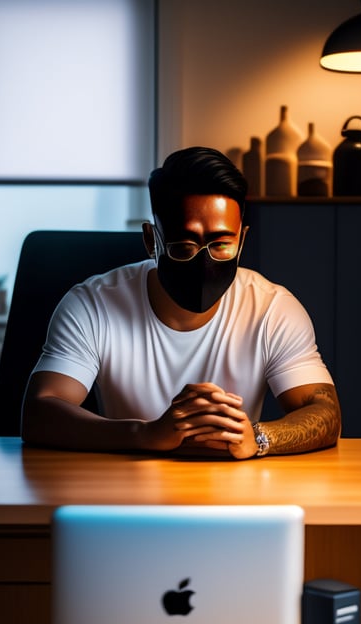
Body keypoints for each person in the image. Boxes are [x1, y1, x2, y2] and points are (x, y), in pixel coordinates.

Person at [21, 147, 341, 459]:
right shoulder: (93, 304)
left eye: (220, 244)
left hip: (236, 493)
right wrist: (146, 434)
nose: (204, 262)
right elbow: (40, 412)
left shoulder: (273, 309)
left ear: (241, 240)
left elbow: (326, 413)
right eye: (184, 246)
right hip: (125, 489)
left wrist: (257, 438)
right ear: (151, 240)